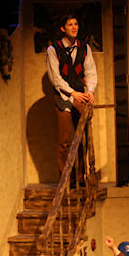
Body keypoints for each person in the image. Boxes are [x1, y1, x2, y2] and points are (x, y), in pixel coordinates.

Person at [46, 13, 98, 176]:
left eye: (76, 24)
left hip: (80, 96)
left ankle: (81, 176)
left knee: (83, 137)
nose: (74, 27)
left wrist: (90, 90)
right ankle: (66, 178)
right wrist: (72, 93)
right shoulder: (53, 50)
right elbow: (55, 78)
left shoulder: (84, 48)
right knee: (65, 141)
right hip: (63, 97)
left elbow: (90, 72)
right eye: (70, 24)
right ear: (63, 28)